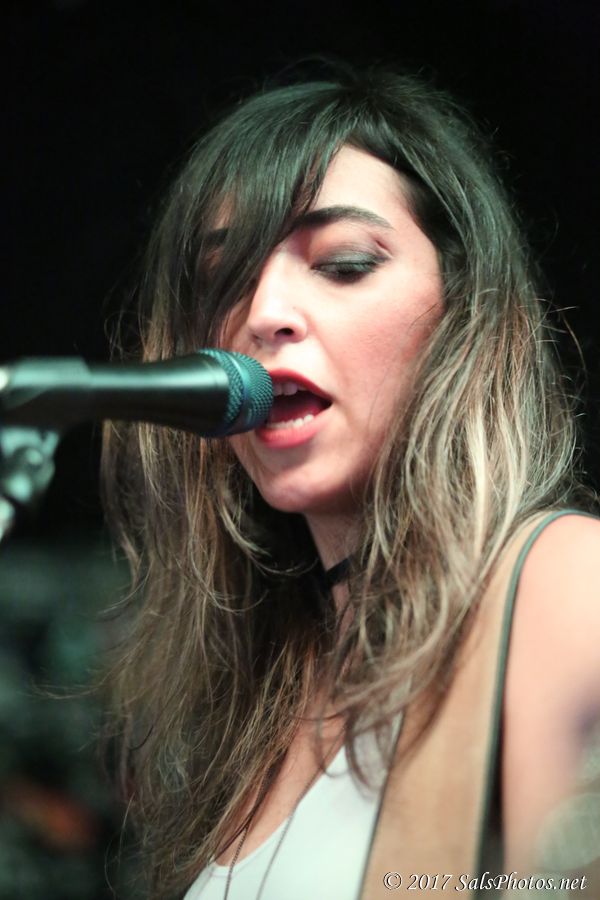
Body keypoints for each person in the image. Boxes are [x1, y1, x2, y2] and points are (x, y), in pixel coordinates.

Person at [101, 62, 600, 899]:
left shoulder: (565, 583)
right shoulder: (256, 701)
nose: (264, 314)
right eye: (225, 280)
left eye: (343, 263)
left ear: (463, 312)